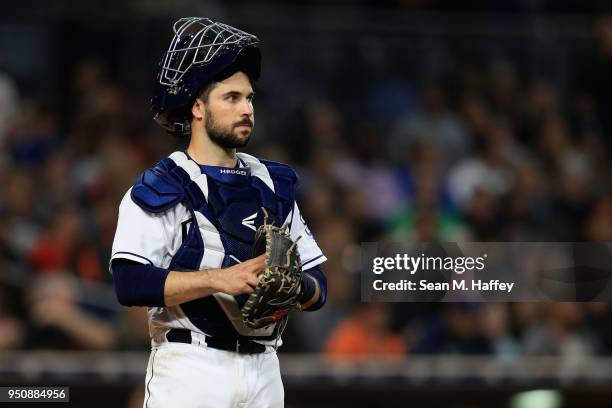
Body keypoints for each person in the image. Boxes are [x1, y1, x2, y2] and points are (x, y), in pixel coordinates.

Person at [110, 17, 327, 408]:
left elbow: (319, 285)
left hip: (265, 369)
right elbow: (129, 282)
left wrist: (297, 288)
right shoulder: (165, 184)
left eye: (250, 98)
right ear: (197, 107)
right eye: (231, 98)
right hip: (192, 367)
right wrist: (219, 279)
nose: (246, 109)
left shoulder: (272, 183)